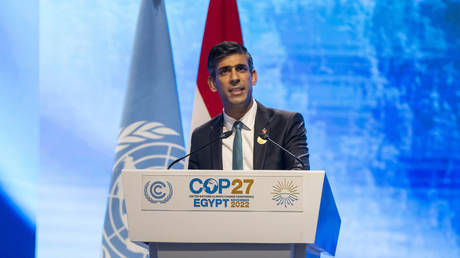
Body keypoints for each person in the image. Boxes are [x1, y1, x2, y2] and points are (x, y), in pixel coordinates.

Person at [188, 41, 309, 170]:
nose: (234, 78)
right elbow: (193, 187)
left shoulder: (286, 124)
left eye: (241, 69)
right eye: (225, 71)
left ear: (253, 77)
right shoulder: (202, 137)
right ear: (212, 83)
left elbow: (300, 179)